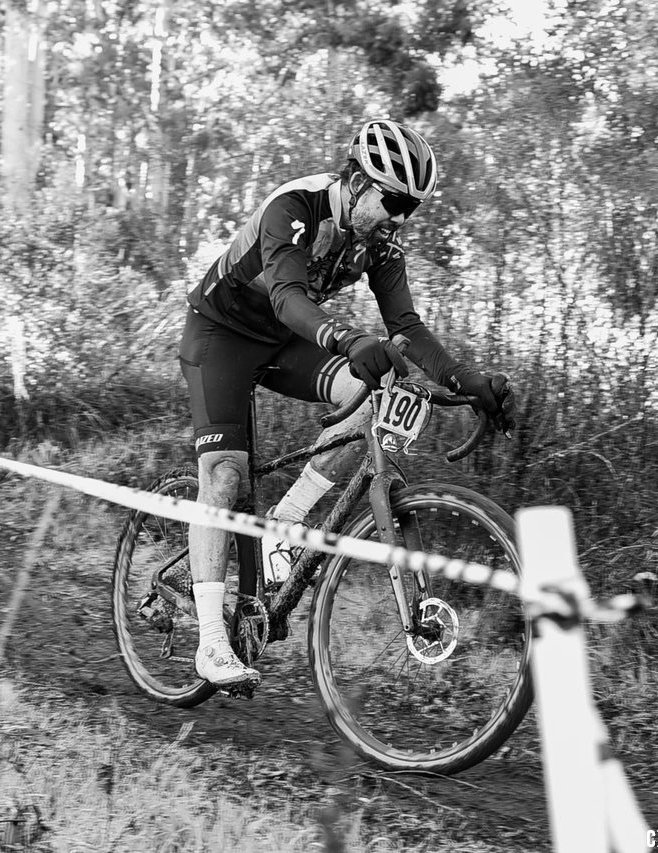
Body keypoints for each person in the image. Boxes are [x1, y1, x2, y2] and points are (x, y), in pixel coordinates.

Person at [179, 118, 516, 688]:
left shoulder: (379, 243)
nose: (401, 218)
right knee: (226, 475)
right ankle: (211, 643)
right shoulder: (293, 207)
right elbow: (286, 296)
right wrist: (348, 340)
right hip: (222, 335)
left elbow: (407, 323)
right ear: (358, 181)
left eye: (412, 207)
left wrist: (468, 381)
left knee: (375, 397)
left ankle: (285, 523)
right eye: (394, 201)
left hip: (288, 341)